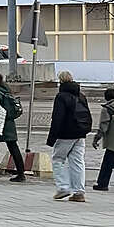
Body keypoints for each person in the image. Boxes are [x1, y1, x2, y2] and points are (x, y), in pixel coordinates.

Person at [46, 70, 92, 202]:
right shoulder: (81, 96)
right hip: (80, 134)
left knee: (58, 159)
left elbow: (57, 118)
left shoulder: (61, 96)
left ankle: (63, 187)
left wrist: (52, 138)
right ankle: (79, 192)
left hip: (66, 135)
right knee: (77, 162)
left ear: (60, 81)